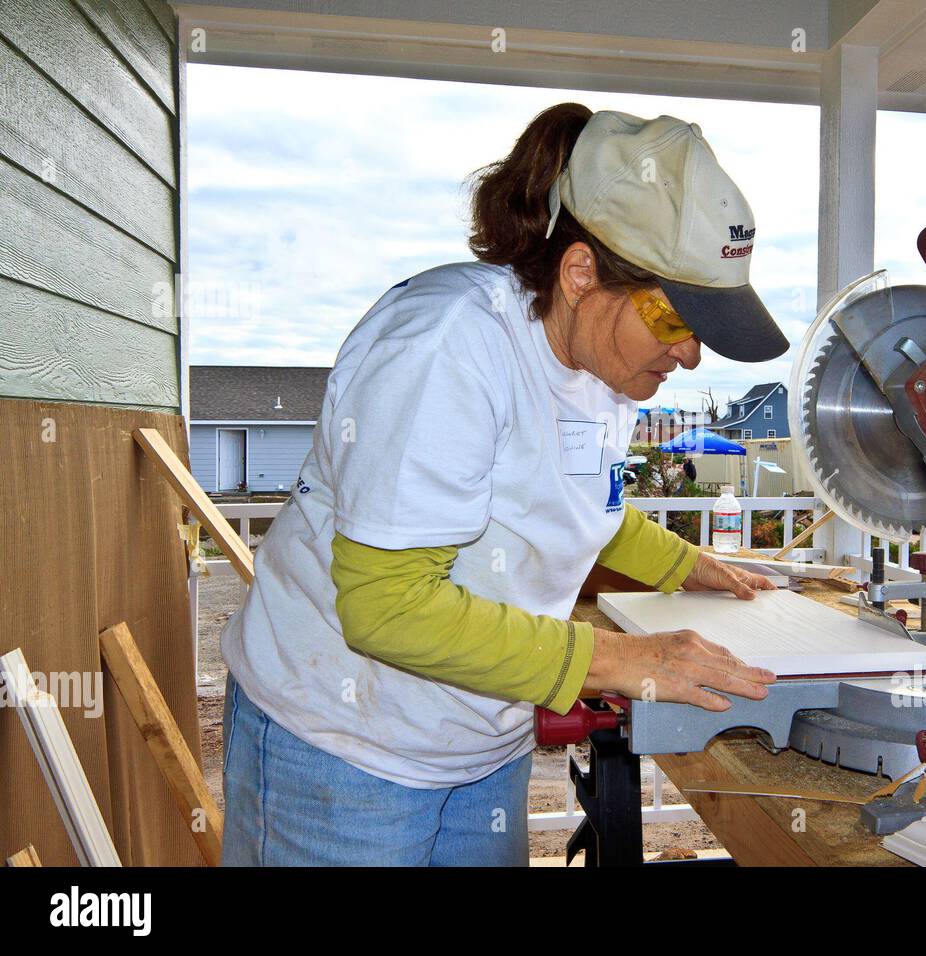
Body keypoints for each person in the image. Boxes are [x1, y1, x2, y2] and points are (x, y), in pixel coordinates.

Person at [220, 104, 788, 866]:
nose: (689, 355)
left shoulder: (604, 373)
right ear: (581, 272)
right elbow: (387, 609)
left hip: (481, 746)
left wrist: (691, 566)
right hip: (340, 746)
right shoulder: (446, 344)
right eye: (676, 320)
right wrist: (623, 659)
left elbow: (582, 507)